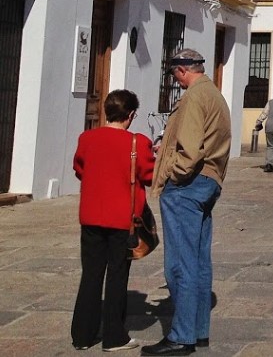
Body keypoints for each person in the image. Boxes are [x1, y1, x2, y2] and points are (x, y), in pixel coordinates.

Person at [142, 50, 231, 356]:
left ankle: (181, 336)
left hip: (188, 185)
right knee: (199, 261)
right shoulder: (214, 93)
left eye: (175, 75)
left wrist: (171, 174)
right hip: (209, 181)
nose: (176, 81)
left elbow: (190, 151)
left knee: (179, 264)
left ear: (181, 71)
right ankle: (198, 331)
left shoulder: (194, 97)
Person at [70, 89, 154, 352]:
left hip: (91, 215)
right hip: (122, 219)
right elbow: (148, 174)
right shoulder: (137, 143)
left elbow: (79, 168)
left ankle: (83, 335)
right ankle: (114, 335)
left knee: (91, 275)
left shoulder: (87, 138)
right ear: (130, 115)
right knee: (117, 275)